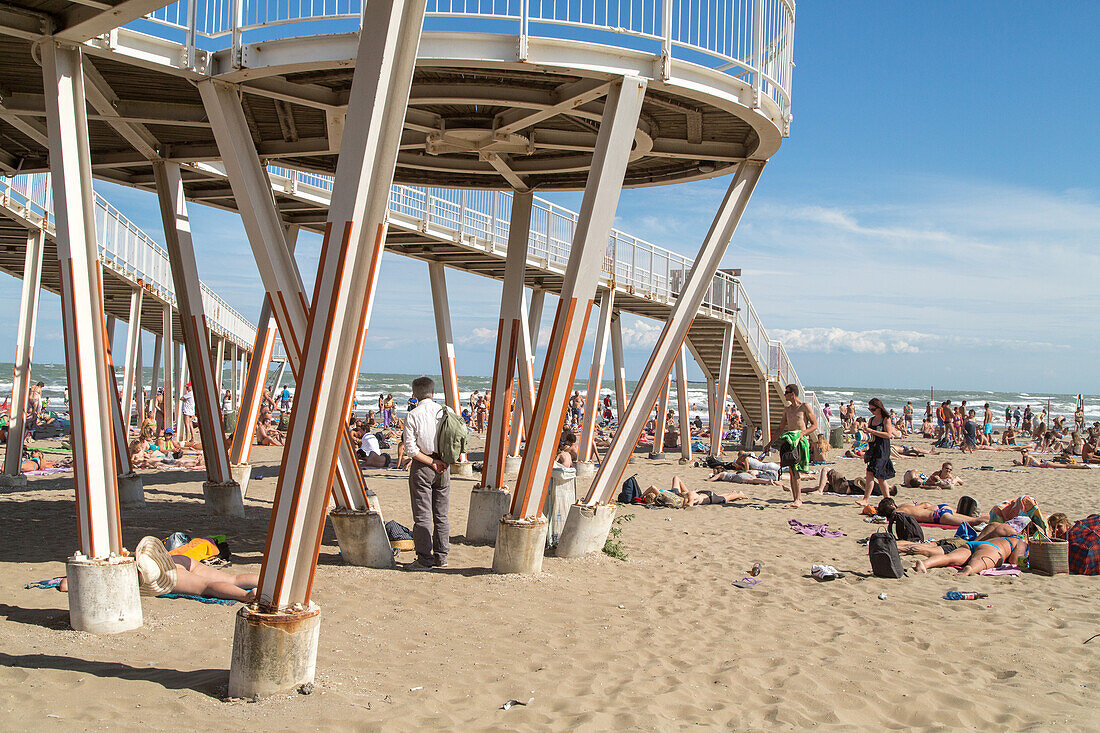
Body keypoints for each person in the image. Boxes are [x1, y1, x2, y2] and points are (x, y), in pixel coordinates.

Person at [402, 376, 450, 569]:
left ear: (414, 394)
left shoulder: (413, 414)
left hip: (423, 465)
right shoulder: (446, 412)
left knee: (422, 514)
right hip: (444, 465)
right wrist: (442, 461)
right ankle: (441, 557)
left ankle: (424, 559)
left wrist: (431, 462)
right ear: (433, 392)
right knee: (441, 514)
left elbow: (411, 449)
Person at [763, 384, 818, 508]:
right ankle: (796, 498)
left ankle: (798, 499)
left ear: (792, 393)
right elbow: (780, 428)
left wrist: (802, 434)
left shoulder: (805, 407)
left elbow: (814, 425)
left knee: (796, 470)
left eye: (786, 392)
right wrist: (770, 443)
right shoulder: (787, 409)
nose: (784, 394)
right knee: (792, 469)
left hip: (800, 441)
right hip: (790, 441)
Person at [858, 398, 899, 506]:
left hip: (882, 449)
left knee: (879, 476)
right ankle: (879, 500)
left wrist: (872, 431)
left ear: (879, 408)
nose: (871, 411)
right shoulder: (871, 420)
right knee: (872, 474)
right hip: (872, 449)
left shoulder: (886, 419)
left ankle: (886, 500)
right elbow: (871, 435)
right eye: (870, 409)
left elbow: (888, 435)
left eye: (873, 409)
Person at [877, 496, 983, 528]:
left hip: (938, 517)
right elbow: (925, 505)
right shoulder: (905, 506)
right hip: (939, 510)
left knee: (973, 522)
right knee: (975, 519)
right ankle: (994, 517)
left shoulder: (898, 512)